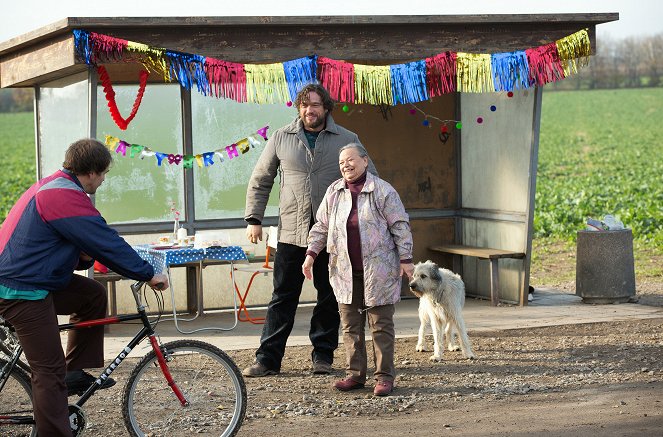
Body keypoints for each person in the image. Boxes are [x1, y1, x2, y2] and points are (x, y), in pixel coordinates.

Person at [0, 138, 169, 436]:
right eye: (103, 173)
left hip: (32, 278)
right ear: (91, 171)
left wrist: (82, 254)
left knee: (92, 295)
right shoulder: (63, 196)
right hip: (19, 289)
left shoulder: (56, 186)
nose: (103, 180)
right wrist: (147, 273)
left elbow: (71, 241)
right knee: (48, 372)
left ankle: (74, 372)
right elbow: (105, 241)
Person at [243, 84, 377, 377]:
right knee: (282, 297)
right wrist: (254, 218)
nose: (309, 110)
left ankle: (323, 356)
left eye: (315, 105)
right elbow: (261, 178)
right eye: (304, 105)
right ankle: (268, 359)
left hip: (333, 236)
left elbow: (370, 181)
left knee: (329, 296)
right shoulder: (281, 137)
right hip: (291, 232)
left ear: (326, 108)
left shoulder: (347, 139)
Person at [302, 143, 414, 396]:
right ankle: (355, 375)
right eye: (342, 163)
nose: (346, 166)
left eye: (350, 160)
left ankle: (384, 377)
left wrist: (406, 259)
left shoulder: (382, 191)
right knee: (350, 325)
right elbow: (321, 226)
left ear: (365, 160)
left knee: (381, 324)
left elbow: (400, 225)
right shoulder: (334, 191)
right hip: (344, 271)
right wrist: (310, 255)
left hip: (379, 270)